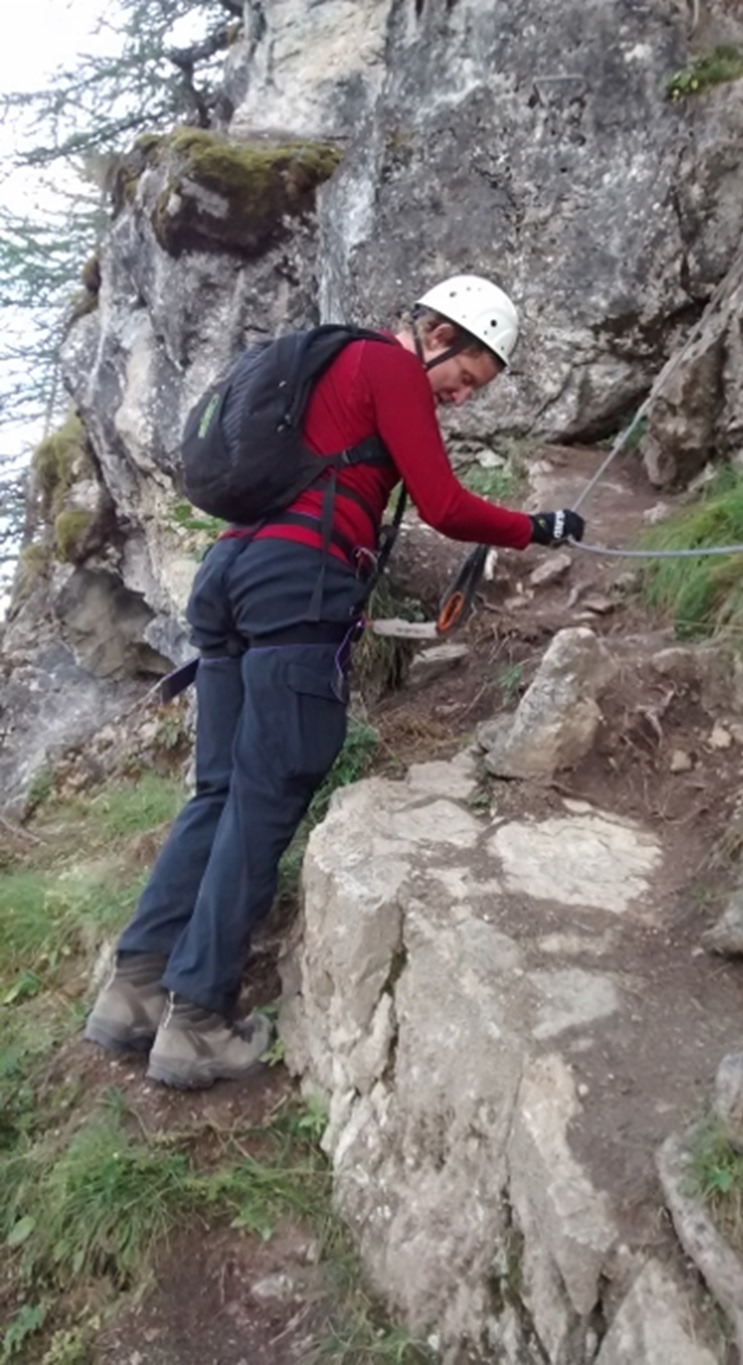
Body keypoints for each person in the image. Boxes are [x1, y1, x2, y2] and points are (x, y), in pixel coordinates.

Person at [83, 274, 586, 1089]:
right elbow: (445, 504)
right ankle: (199, 1019)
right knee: (263, 793)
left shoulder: (328, 367)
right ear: (435, 333)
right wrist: (537, 527)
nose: (459, 398)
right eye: (463, 378)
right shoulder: (388, 370)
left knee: (216, 791)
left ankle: (134, 992)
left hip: (230, 577)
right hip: (297, 585)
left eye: (474, 391)